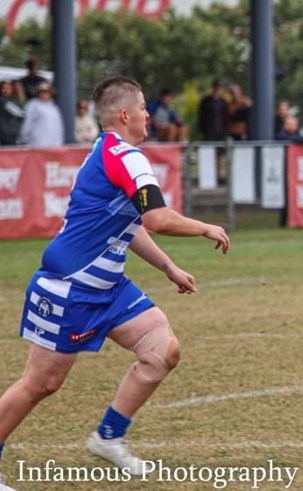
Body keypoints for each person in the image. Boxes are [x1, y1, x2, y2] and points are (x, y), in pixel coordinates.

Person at [0, 76, 230, 487]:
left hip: (108, 287)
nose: (148, 114)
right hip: (70, 286)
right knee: (41, 383)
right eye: (143, 108)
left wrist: (168, 268)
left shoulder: (106, 152)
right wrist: (204, 227)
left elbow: (132, 225)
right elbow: (157, 219)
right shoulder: (127, 157)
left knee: (162, 352)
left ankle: (109, 437)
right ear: (125, 115)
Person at [18, 82, 64, 147]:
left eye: (47, 92)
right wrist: (25, 138)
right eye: (42, 91)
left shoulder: (54, 107)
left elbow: (59, 126)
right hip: (36, 143)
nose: (45, 94)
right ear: (38, 93)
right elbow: (27, 122)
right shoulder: (32, 105)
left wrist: (59, 142)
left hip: (53, 144)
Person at [0, 81, 25, 146]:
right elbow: (20, 113)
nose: (6, 90)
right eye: (4, 88)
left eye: (8, 88)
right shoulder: (3, 100)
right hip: (7, 134)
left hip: (11, 133)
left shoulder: (12, 100)